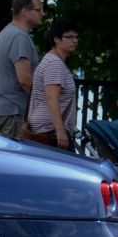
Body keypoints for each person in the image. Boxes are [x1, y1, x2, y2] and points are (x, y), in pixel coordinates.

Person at [0, 0, 44, 138]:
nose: (42, 14)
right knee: (20, 158)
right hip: (15, 112)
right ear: (25, 12)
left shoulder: (8, 32)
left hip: (7, 111)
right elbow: (25, 80)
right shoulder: (19, 36)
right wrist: (45, 105)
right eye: (38, 10)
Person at [25, 21, 81, 150]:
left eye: (76, 37)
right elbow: (52, 99)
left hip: (47, 129)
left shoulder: (52, 60)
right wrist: (60, 131)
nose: (75, 40)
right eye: (70, 37)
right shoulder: (54, 64)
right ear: (57, 39)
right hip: (49, 132)